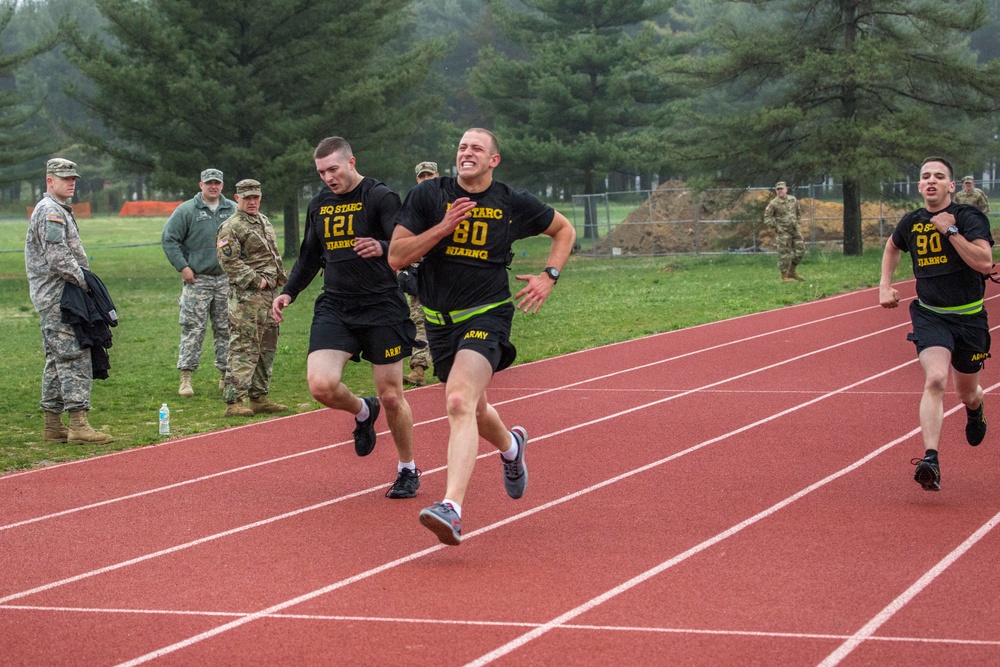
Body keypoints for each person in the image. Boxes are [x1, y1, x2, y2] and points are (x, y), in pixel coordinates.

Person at [389, 127, 576, 545]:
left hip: (487, 313)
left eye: (476, 148)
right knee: (473, 408)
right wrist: (442, 227)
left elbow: (564, 230)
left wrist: (550, 276)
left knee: (457, 399)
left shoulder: (511, 202)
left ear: (494, 160)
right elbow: (397, 257)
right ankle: (511, 447)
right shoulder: (428, 196)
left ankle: (451, 508)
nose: (466, 153)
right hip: (438, 321)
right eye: (461, 147)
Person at [272, 137, 421, 499]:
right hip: (336, 306)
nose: (327, 178)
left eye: (333, 169)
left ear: (351, 162)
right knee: (320, 385)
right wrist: (289, 291)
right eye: (321, 172)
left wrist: (382, 247)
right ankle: (361, 411)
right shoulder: (320, 204)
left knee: (391, 395)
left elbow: (406, 244)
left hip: (381, 306)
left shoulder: (380, 197)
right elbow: (310, 254)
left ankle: (408, 469)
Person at [879, 157, 994, 492]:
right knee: (936, 378)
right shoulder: (911, 222)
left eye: (939, 177)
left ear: (951, 186)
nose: (931, 181)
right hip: (930, 314)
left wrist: (950, 230)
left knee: (967, 392)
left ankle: (976, 409)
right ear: (919, 186)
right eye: (925, 177)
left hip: (970, 317)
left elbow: (985, 263)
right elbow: (891, 246)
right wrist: (885, 284)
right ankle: (931, 459)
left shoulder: (968, 217)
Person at [25, 158, 113, 444]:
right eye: (64, 178)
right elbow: (58, 257)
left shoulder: (56, 209)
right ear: (50, 181)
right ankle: (78, 423)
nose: (71, 181)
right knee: (75, 354)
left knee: (56, 359)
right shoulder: (51, 211)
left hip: (55, 295)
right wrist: (86, 282)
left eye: (73, 177)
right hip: (60, 296)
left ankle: (53, 425)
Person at [216, 178, 288, 417]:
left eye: (255, 197)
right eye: (247, 198)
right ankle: (234, 401)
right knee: (244, 345)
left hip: (269, 297)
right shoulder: (231, 226)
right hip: (246, 297)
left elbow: (273, 254)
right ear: (237, 198)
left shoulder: (263, 221)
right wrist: (258, 281)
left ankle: (259, 396)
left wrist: (280, 278)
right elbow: (229, 262)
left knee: (268, 345)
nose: (252, 202)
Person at [161, 168, 236, 397]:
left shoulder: (232, 209)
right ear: (200, 185)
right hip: (198, 280)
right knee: (193, 329)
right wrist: (183, 267)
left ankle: (226, 375)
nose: (213, 187)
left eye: (217, 183)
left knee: (226, 328)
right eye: (208, 183)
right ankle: (186, 377)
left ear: (222, 185)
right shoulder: (186, 210)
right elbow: (169, 239)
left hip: (225, 280)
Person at [398, 160, 439, 386]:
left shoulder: (449, 202)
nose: (426, 180)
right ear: (417, 179)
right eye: (422, 176)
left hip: (451, 275)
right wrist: (405, 267)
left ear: (437, 176)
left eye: (429, 176)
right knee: (419, 320)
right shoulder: (412, 206)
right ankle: (419, 369)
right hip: (421, 275)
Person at [764, 181, 805, 282]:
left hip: (794, 230)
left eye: (781, 189)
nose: (780, 191)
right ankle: (784, 276)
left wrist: (797, 222)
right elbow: (767, 218)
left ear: (786, 189)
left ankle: (792, 271)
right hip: (783, 232)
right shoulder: (773, 204)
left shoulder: (793, 200)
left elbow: (798, 212)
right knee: (784, 254)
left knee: (800, 250)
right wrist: (777, 228)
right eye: (778, 189)